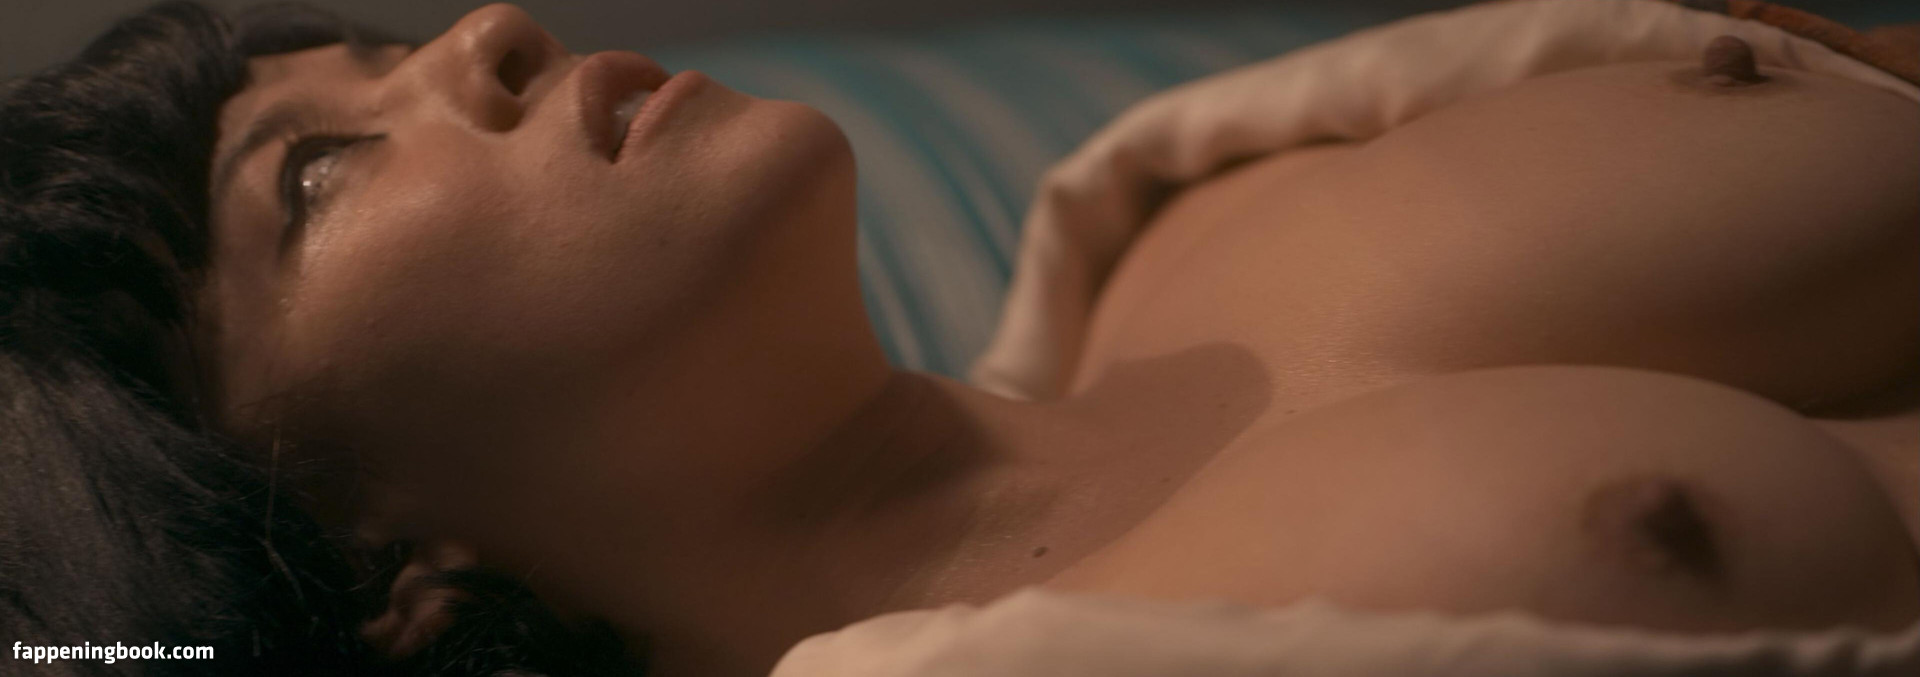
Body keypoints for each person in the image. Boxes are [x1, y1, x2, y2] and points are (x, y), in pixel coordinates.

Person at [1, 1, 1913, 676]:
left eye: (380, 48)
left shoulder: (1189, 204)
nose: (488, 32)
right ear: (384, 577)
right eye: (319, 171)